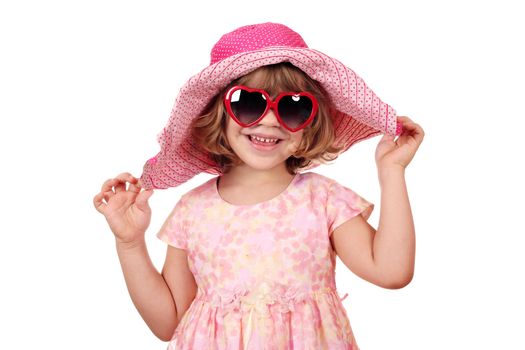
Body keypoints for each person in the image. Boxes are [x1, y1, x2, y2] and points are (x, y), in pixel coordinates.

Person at [93, 22, 424, 350]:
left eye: (294, 108)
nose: (269, 120)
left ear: (310, 126)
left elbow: (392, 271)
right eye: (248, 103)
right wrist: (130, 243)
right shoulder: (192, 211)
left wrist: (392, 171)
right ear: (217, 115)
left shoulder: (322, 200)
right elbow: (168, 323)